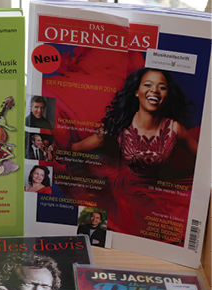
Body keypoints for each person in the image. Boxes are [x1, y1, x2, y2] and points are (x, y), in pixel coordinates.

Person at [70, 68, 198, 243]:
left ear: (167, 95)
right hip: (124, 193)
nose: (155, 90)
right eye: (148, 85)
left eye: (162, 87)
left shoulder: (175, 129)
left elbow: (203, 158)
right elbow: (77, 148)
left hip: (158, 192)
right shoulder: (120, 126)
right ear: (137, 92)